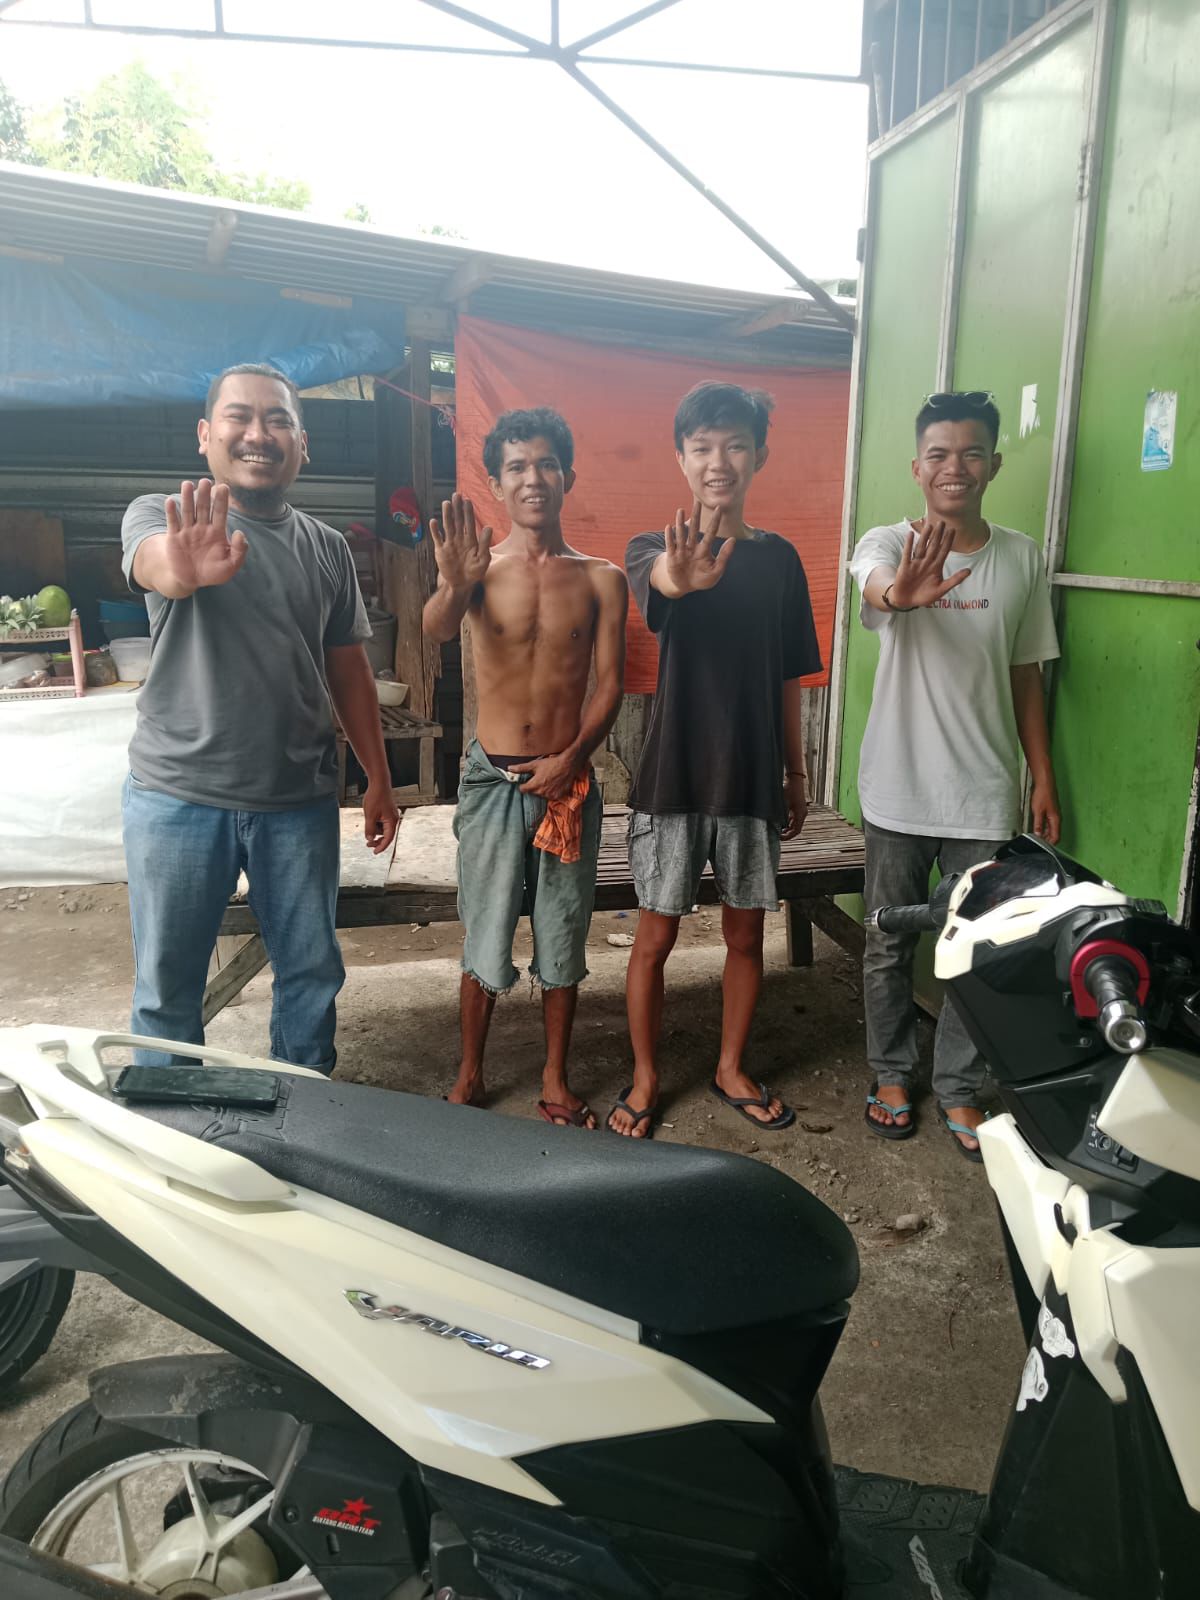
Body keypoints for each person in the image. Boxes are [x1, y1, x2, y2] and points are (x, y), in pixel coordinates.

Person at [121, 362, 397, 1073]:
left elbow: (349, 669)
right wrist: (182, 572)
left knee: (310, 975)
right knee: (167, 987)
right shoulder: (163, 515)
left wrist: (378, 778)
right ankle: (169, 1123)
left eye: (278, 420)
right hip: (179, 797)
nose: (258, 433)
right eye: (239, 416)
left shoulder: (328, 548)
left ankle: (304, 1110)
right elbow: (159, 566)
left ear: (302, 444)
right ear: (205, 434)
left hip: (297, 800)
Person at [850, 390, 1061, 1159]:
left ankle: (960, 1087)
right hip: (897, 789)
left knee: (978, 948)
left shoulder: (1021, 557)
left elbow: (1026, 674)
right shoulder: (887, 542)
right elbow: (877, 585)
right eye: (939, 454)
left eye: (972, 453)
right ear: (917, 467)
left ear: (993, 464)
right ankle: (891, 1075)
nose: (955, 467)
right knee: (887, 944)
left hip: (983, 793)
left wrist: (1042, 775)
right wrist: (901, 595)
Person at [616, 381, 821, 1139]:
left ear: (758, 455)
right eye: (702, 447)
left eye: (734, 445)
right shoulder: (654, 548)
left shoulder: (781, 560)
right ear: (681, 458)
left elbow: (789, 676)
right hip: (673, 778)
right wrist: (686, 574)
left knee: (745, 938)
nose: (718, 461)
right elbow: (664, 584)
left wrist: (796, 773)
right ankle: (645, 1078)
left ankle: (731, 1066)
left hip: (751, 779)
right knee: (654, 939)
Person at [422, 407, 628, 1127]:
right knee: (483, 927)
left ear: (568, 475)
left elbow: (611, 684)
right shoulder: (481, 570)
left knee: (563, 930)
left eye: (545, 464)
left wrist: (572, 758)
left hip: (567, 782)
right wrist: (454, 585)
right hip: (492, 781)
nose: (532, 478)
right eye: (516, 467)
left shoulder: (602, 578)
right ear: (496, 483)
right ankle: (470, 1072)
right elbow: (436, 629)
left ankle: (555, 1080)